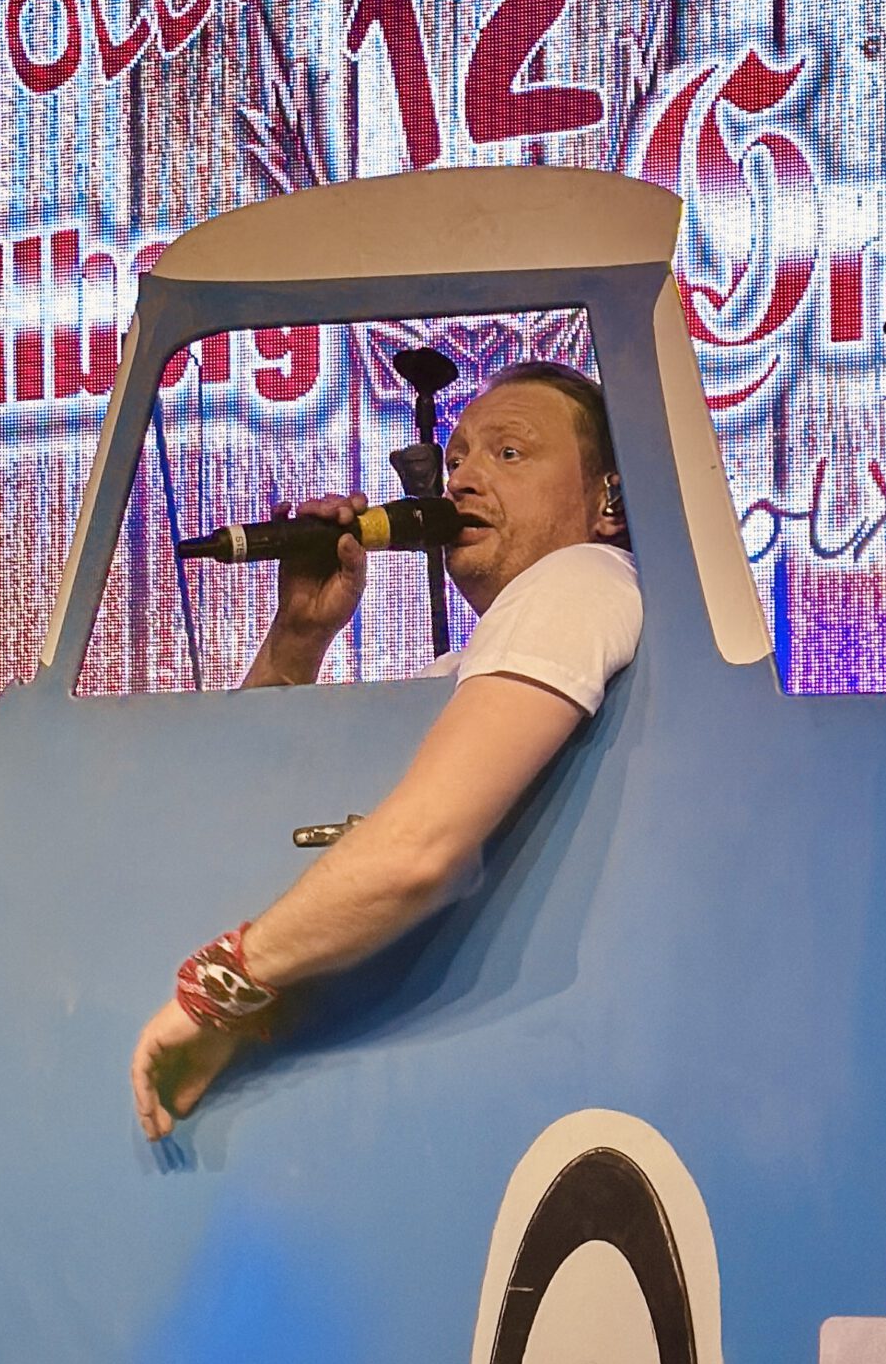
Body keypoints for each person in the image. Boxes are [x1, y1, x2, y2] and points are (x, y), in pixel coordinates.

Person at [130, 360, 641, 1141]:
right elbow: (241, 820)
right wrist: (298, 639)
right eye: (459, 455)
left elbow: (416, 850)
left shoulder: (578, 578)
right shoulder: (471, 667)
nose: (462, 480)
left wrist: (217, 990)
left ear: (609, 500)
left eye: (508, 454)